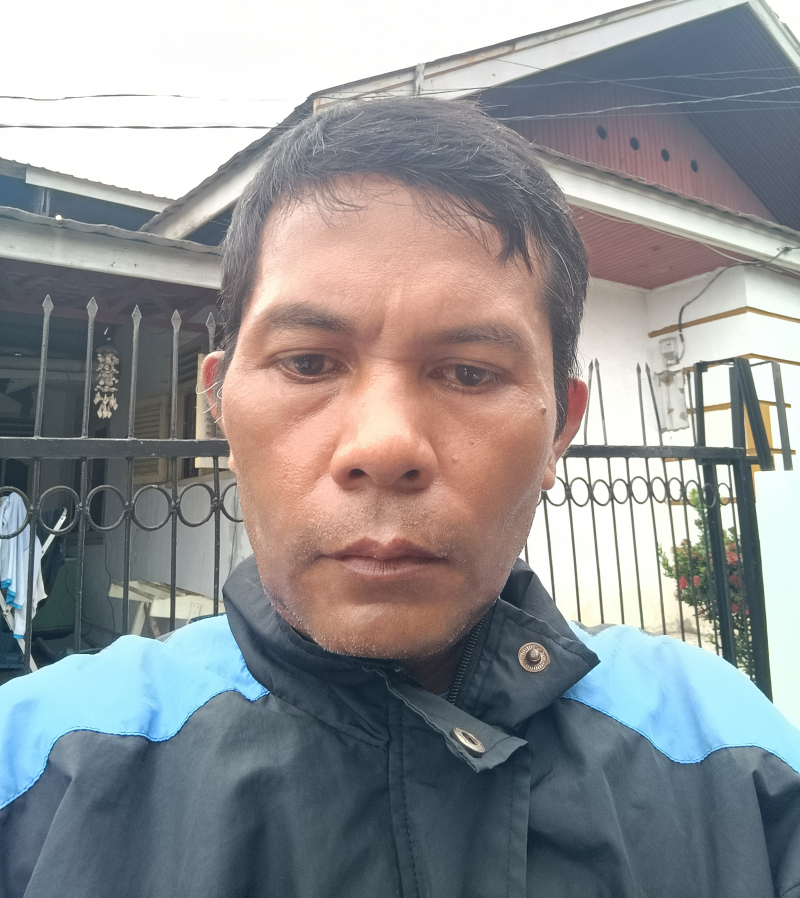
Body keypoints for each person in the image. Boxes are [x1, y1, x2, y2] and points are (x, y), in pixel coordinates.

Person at [1, 98, 798, 898]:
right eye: (308, 363)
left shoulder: (735, 761)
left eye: (470, 373)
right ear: (220, 410)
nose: (383, 447)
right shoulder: (38, 763)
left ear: (560, 430)